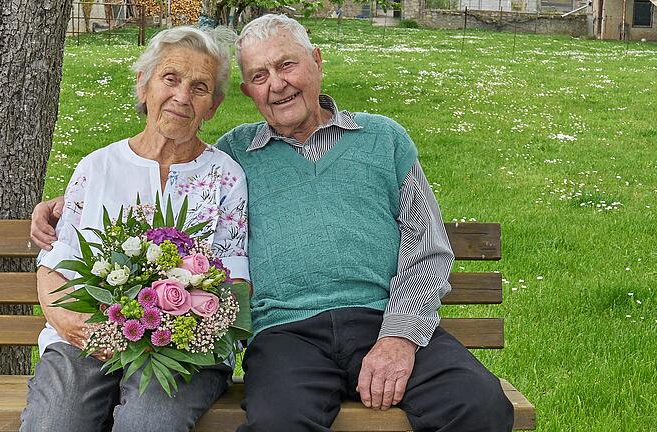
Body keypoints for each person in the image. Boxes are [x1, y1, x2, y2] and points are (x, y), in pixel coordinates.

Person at [32, 14, 514, 432]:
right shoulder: (238, 154)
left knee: (480, 407)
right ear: (246, 93)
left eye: (287, 65)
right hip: (289, 334)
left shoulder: (383, 139)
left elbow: (427, 249)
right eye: (259, 75)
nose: (277, 84)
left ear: (316, 61)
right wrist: (64, 204)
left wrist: (399, 336)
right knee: (278, 423)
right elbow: (171, 151)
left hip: (382, 319)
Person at [21, 26, 249, 432]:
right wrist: (70, 324)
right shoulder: (99, 166)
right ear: (144, 86)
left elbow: (235, 282)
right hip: (87, 339)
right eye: (170, 78)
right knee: (55, 423)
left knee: (148, 423)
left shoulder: (225, 176)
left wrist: (184, 327)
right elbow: (55, 262)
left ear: (212, 106)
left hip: (183, 349)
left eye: (199, 88)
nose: (182, 96)